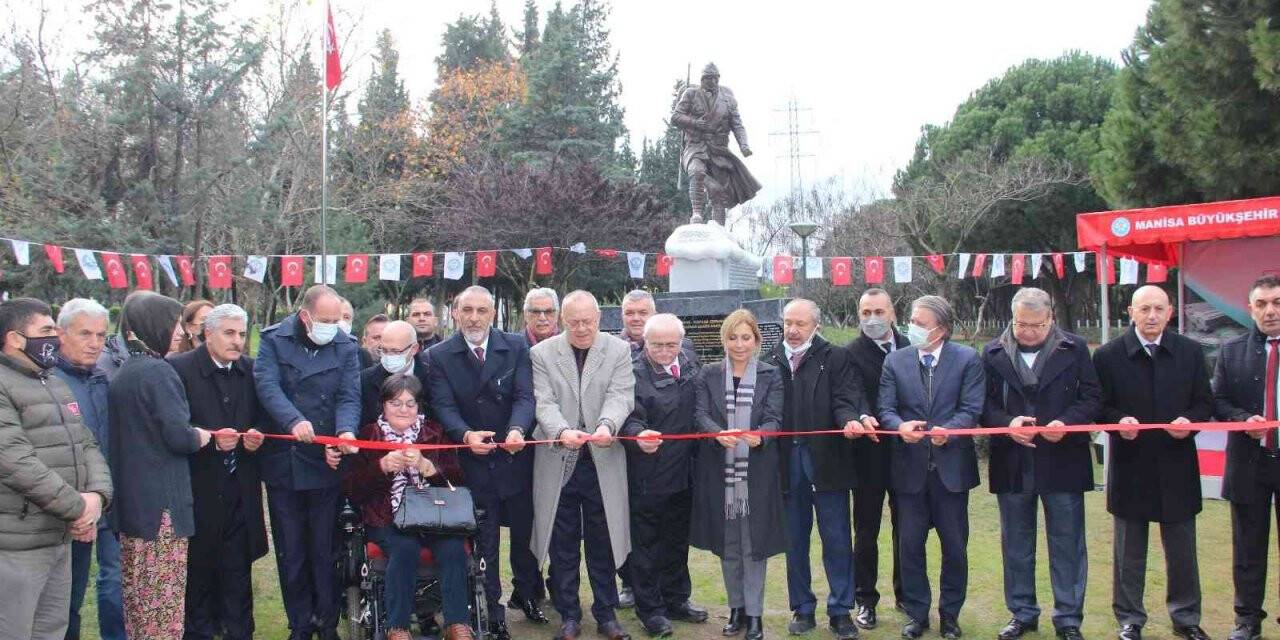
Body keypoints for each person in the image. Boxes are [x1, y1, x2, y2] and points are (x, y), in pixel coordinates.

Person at [1093, 285, 1213, 640]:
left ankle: (1186, 618)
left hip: (1178, 464)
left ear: (1170, 312)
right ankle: (1130, 619)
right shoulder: (1108, 355)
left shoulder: (1190, 352)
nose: (1151, 316)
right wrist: (1118, 423)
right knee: (1129, 552)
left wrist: (1189, 423)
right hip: (1131, 464)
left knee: (1182, 552)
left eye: (1159, 309)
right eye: (1144, 309)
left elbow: (1204, 402)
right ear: (1130, 311)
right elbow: (1098, 407)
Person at [425, 286, 546, 639]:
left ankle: (527, 594)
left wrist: (517, 429)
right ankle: (492, 612)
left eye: (481, 310)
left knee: (525, 535)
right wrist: (465, 436)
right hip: (473, 463)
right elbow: (443, 406)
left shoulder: (517, 346)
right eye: (467, 310)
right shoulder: (439, 355)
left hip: (515, 456)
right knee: (485, 541)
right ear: (456, 313)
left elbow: (526, 395)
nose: (474, 317)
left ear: (492, 314)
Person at [982, 288, 1100, 640]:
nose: (1029, 331)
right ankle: (1022, 613)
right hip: (1013, 460)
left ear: (1051, 319)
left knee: (1067, 543)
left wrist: (1066, 422)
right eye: (1021, 324)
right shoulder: (992, 352)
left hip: (1063, 459)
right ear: (1012, 318)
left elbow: (1093, 397)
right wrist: (1006, 424)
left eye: (1037, 325)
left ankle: (1068, 618)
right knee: (1016, 543)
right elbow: (982, 404)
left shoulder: (1074, 348)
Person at [0, 297, 112, 640]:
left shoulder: (53, 382)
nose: (55, 338)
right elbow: (15, 461)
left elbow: (87, 443)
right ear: (15, 338)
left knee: (52, 629)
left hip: (59, 536)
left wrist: (97, 497)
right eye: (46, 330)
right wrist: (79, 508)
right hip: (17, 543)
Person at [254, 284, 362, 640]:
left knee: (324, 547)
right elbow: (267, 385)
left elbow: (349, 395)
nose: (332, 326)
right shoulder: (274, 340)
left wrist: (346, 431)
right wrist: (291, 419)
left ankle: (327, 621)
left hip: (325, 462)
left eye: (337, 320)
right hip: (285, 462)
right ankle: (299, 622)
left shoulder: (346, 346)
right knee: (292, 550)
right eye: (325, 320)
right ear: (305, 316)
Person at [876, 295, 984, 640]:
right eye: (912, 321)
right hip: (909, 473)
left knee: (955, 548)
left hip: (951, 473)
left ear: (942, 329)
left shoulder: (967, 359)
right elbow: (886, 408)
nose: (914, 328)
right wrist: (899, 427)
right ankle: (916, 614)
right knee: (909, 546)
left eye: (921, 324)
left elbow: (972, 407)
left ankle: (950, 616)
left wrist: (949, 432)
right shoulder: (896, 361)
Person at [530, 290, 635, 640]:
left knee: (602, 541)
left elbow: (621, 395)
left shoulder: (618, 351)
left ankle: (606, 613)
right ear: (562, 320)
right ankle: (569, 615)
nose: (580, 328)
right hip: (559, 461)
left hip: (601, 461)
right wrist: (561, 430)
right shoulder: (542, 353)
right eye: (573, 322)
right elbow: (543, 403)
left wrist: (607, 424)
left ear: (599, 319)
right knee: (562, 543)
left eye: (587, 321)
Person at [107, 292, 213, 639]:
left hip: (133, 505)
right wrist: (200, 435)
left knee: (139, 604)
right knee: (162, 607)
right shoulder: (159, 372)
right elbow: (178, 436)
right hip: (162, 509)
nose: (181, 333)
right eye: (174, 324)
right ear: (156, 327)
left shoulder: (126, 372)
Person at [761, 299, 862, 639]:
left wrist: (849, 420)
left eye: (800, 323)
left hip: (827, 462)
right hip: (786, 464)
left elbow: (845, 399)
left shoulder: (836, 357)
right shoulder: (770, 360)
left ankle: (840, 611)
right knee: (794, 540)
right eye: (788, 322)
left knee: (836, 539)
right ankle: (802, 609)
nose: (792, 329)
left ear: (815, 325)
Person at [343, 375, 472, 640]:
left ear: (419, 407)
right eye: (395, 403)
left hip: (434, 515)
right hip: (385, 517)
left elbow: (458, 481)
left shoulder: (434, 433)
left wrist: (429, 469)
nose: (403, 409)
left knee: (452, 548)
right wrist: (381, 468)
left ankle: (456, 623)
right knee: (404, 548)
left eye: (410, 404)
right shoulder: (367, 435)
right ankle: (397, 627)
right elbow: (352, 490)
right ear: (383, 405)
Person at [169, 304, 269, 640]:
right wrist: (208, 440)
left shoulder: (251, 371)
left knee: (238, 578)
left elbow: (264, 418)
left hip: (241, 493)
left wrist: (257, 436)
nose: (238, 341)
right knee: (197, 580)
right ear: (206, 333)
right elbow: (171, 427)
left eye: (242, 333)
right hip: (197, 491)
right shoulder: (177, 369)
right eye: (229, 333)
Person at [690, 309, 786, 640]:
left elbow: (775, 418)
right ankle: (735, 609)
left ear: (756, 340)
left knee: (753, 547)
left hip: (756, 476)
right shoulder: (708, 373)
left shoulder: (771, 374)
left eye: (746, 337)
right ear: (724, 340)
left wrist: (763, 435)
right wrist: (717, 433)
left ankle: (755, 614)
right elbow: (700, 414)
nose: (739, 344)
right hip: (719, 475)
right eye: (733, 337)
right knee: (729, 547)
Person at [620, 313, 709, 637]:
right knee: (646, 547)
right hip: (648, 475)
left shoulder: (689, 360)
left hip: (684, 474)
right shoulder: (632, 372)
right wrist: (637, 434)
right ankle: (651, 610)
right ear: (644, 341)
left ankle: (676, 599)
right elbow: (626, 416)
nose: (665, 351)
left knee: (676, 542)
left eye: (671, 344)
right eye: (657, 344)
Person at [53, 299, 126, 640]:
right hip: (66, 505)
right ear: (60, 333)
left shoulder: (102, 379)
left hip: (108, 497)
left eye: (100, 334)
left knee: (115, 581)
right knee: (67, 594)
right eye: (85, 334)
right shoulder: (47, 383)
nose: (94, 343)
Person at [1215, 275, 1280, 640]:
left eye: (1277, 302)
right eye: (1262, 304)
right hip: (1249, 463)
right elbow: (1218, 401)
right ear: (1250, 307)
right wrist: (1243, 420)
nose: (1270, 310)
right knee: (1248, 548)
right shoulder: (1232, 350)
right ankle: (1247, 621)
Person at [842, 288, 907, 630]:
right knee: (865, 530)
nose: (872, 319)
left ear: (892, 313)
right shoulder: (851, 352)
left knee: (907, 528)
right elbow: (852, 393)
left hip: (907, 453)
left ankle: (906, 593)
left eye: (878, 311)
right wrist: (864, 415)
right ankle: (865, 599)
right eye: (865, 312)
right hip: (868, 455)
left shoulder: (911, 346)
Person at [670, 62, 762, 224]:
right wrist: (694, 122)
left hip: (719, 149)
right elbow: (676, 117)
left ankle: (719, 228)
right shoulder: (691, 94)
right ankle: (696, 214)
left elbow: (737, 124)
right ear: (702, 79)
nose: (712, 82)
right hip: (695, 145)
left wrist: (744, 145)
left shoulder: (727, 100)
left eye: (715, 78)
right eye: (708, 78)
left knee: (719, 192)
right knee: (696, 171)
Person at [360, 321, 430, 427]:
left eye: (395, 351)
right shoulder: (366, 379)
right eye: (384, 350)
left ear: (414, 349)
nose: (388, 356)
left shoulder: (432, 375)